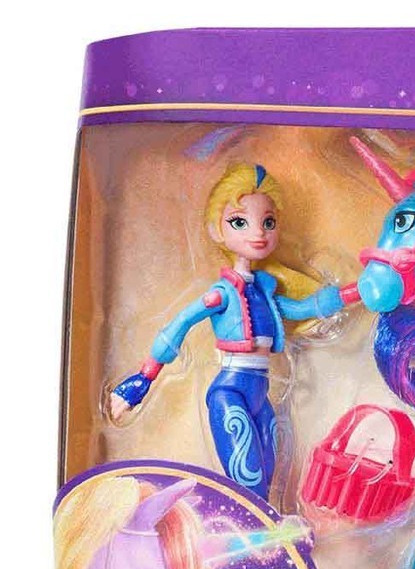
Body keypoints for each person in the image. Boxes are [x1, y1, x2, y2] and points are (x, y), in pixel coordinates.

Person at [108, 164, 358, 499]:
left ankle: (267, 528)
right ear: (216, 230)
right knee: (248, 481)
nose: (258, 233)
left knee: (267, 479)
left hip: (260, 395)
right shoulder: (221, 295)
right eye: (239, 222)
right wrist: (140, 381)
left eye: (268, 222)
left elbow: (303, 309)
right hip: (230, 391)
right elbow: (180, 324)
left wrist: (354, 292)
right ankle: (254, 529)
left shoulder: (265, 293)